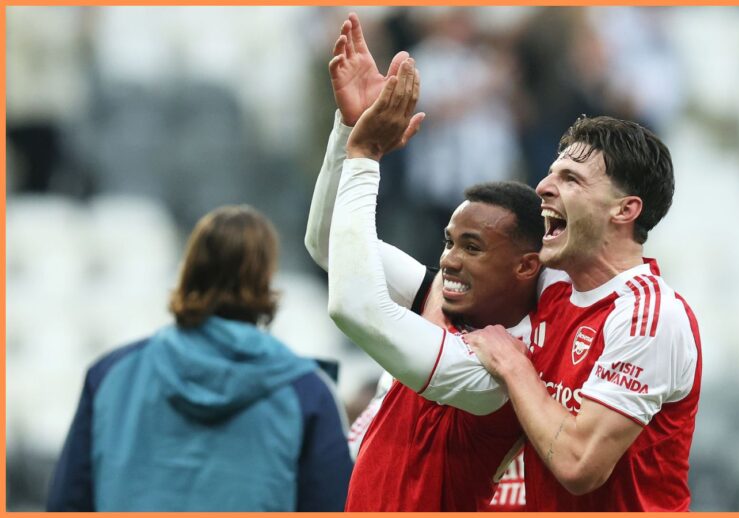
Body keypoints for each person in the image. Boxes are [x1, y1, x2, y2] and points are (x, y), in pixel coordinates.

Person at [327, 39, 701, 510]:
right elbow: (337, 249)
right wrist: (350, 134)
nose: (544, 186)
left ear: (625, 210)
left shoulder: (649, 316)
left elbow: (578, 464)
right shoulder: (547, 282)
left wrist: (513, 365)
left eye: (572, 179)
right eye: (552, 173)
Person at [305, 14, 539, 511]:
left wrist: (367, 154)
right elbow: (330, 245)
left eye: (472, 247)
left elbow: (356, 308)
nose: (449, 260)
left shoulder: (500, 370)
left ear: (525, 266)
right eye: (449, 242)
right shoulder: (438, 296)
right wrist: (348, 129)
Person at [46, 205, 353, 512]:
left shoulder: (110, 375)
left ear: (189, 269)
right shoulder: (305, 392)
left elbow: (67, 504)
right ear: (267, 278)